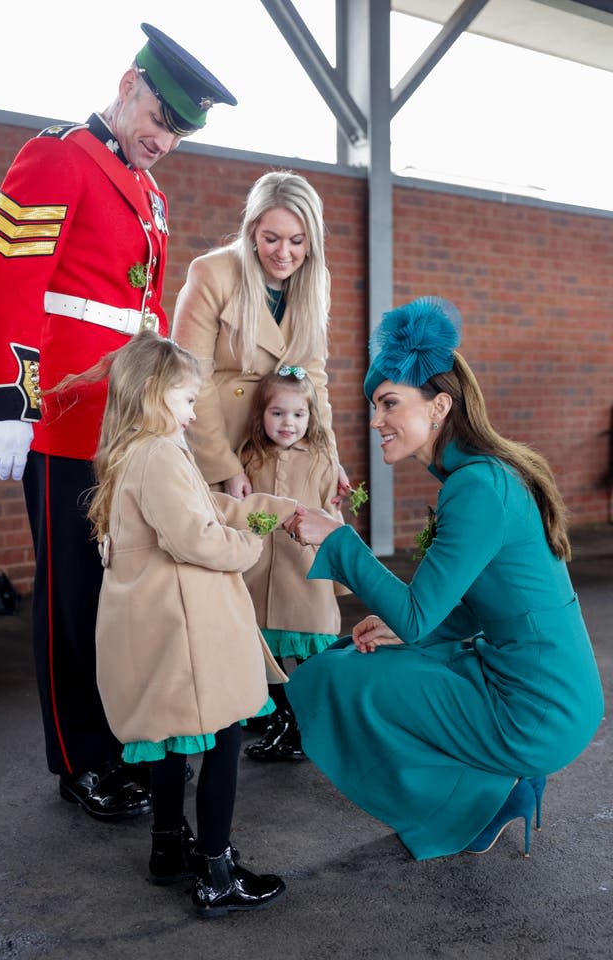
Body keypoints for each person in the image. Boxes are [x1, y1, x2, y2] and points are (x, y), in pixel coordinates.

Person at [0, 23, 237, 820]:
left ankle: (123, 739)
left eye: (180, 132)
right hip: (60, 419)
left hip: (125, 427)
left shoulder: (150, 193)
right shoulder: (56, 157)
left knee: (124, 592)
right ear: (128, 84)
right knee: (71, 596)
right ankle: (79, 759)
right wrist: (5, 404)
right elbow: (4, 280)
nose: (166, 140)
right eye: (160, 119)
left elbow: (144, 315)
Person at [284, 296, 604, 861]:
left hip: (534, 709)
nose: (376, 420)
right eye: (373, 407)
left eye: (388, 404)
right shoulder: (480, 476)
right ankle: (501, 788)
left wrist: (339, 539)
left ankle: (489, 791)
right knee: (357, 659)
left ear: (438, 407)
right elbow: (467, 607)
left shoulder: (477, 487)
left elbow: (418, 613)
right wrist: (403, 631)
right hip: (536, 686)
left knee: (338, 680)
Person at [83, 330, 293, 916]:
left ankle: (169, 850)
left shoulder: (131, 454)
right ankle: (217, 870)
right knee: (224, 735)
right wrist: (250, 543)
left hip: (158, 624)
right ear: (152, 393)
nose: (195, 410)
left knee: (174, 742)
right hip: (186, 631)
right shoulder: (158, 453)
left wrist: (263, 514)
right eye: (186, 398)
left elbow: (195, 509)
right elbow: (195, 536)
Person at [172, 169, 350, 501]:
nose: (284, 253)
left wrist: (329, 457)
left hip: (284, 444)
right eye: (272, 238)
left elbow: (313, 377)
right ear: (252, 229)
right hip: (218, 437)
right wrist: (224, 467)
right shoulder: (211, 273)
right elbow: (191, 377)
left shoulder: (317, 281)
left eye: (297, 241)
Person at [237, 368, 348, 762]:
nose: (288, 423)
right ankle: (285, 721)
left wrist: (339, 574)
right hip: (257, 572)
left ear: (311, 417)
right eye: (278, 413)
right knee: (262, 654)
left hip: (306, 574)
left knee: (309, 655)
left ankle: (315, 725)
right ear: (261, 415)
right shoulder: (248, 456)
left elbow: (334, 518)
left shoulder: (322, 460)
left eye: (298, 415)